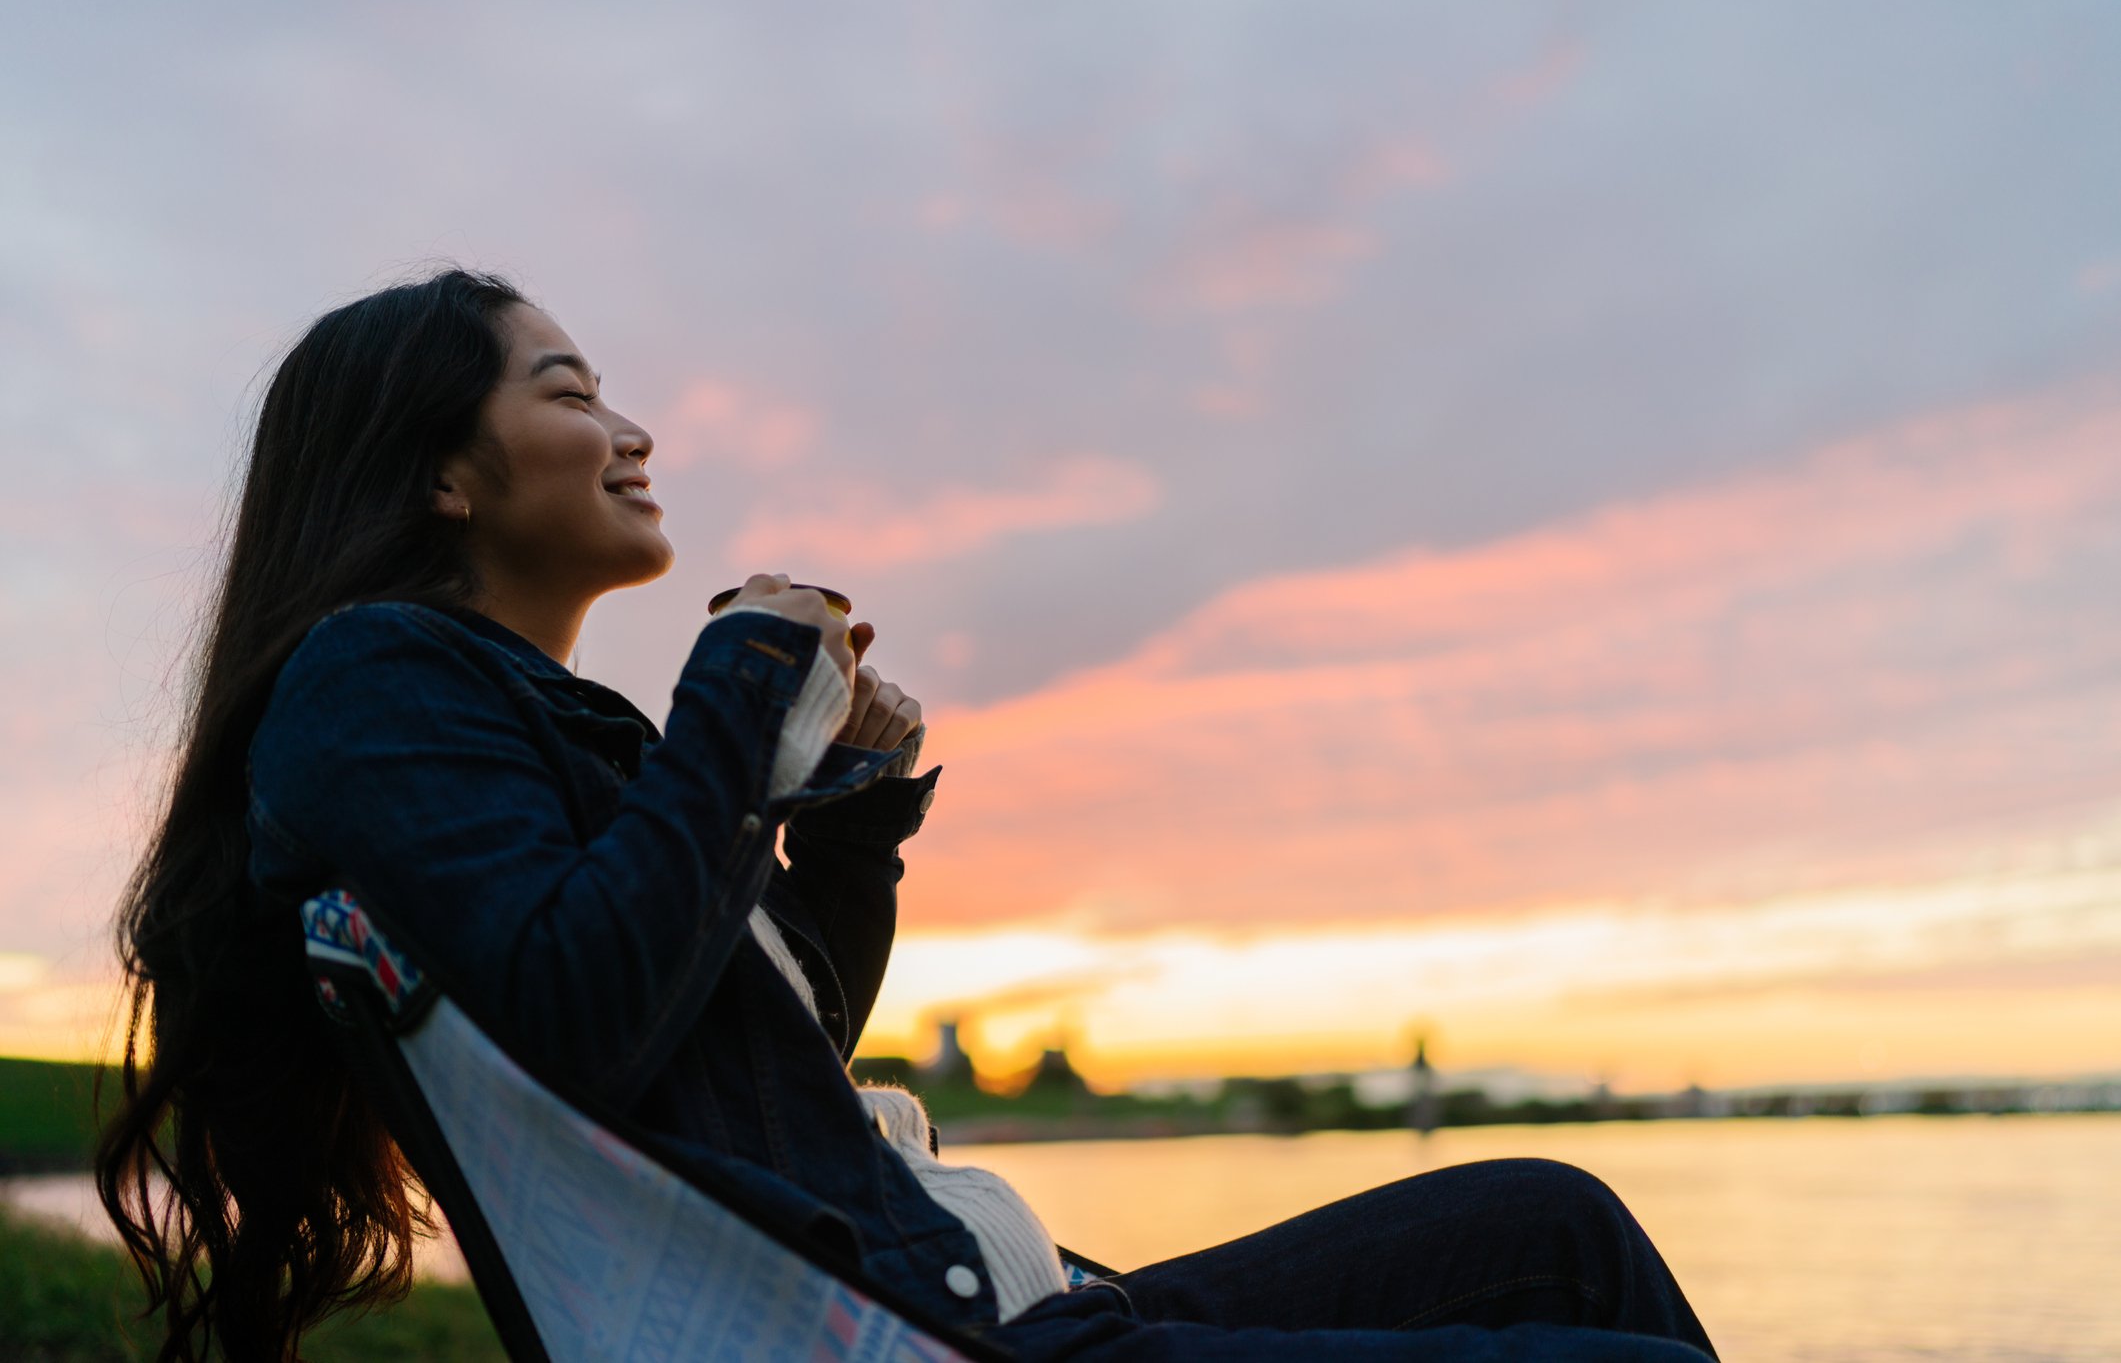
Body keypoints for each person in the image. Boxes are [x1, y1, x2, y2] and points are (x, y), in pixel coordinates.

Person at [96, 268, 1719, 1362]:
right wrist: (738, 680)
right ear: (441, 473)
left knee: (1554, 1220)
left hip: (992, 1287)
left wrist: (842, 828)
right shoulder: (370, 678)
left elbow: (747, 1074)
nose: (634, 430)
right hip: (940, 1333)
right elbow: (578, 1017)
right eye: (574, 390)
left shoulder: (527, 727)